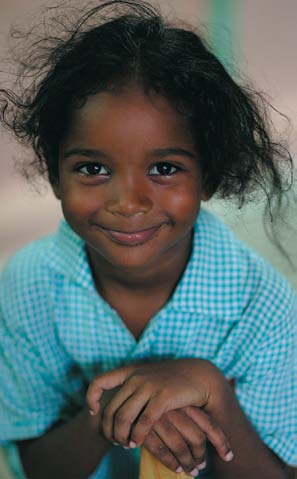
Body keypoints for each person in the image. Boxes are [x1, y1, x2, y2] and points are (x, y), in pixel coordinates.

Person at [0, 1, 296, 478]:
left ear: (209, 177)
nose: (130, 201)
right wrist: (113, 414)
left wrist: (211, 389)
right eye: (93, 169)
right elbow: (37, 467)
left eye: (164, 169)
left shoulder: (262, 307)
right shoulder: (29, 286)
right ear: (55, 176)